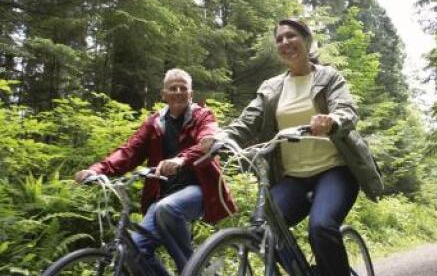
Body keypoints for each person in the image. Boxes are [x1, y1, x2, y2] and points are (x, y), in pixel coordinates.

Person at [203, 19, 383, 276]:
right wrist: (221, 137)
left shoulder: (328, 77)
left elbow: (347, 111)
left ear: (307, 40)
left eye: (291, 36)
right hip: (293, 179)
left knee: (320, 227)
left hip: (334, 171)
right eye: (280, 39)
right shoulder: (271, 87)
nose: (285, 42)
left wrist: (331, 120)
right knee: (262, 230)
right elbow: (246, 122)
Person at [74, 68, 236, 276]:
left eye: (183, 88)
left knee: (167, 209)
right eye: (172, 88)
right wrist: (96, 169)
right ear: (163, 94)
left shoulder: (203, 116)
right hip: (162, 197)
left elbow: (208, 142)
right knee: (135, 251)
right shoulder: (155, 123)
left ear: (191, 94)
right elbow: (129, 151)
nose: (178, 92)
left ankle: (194, 271)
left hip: (199, 189)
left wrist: (181, 159)